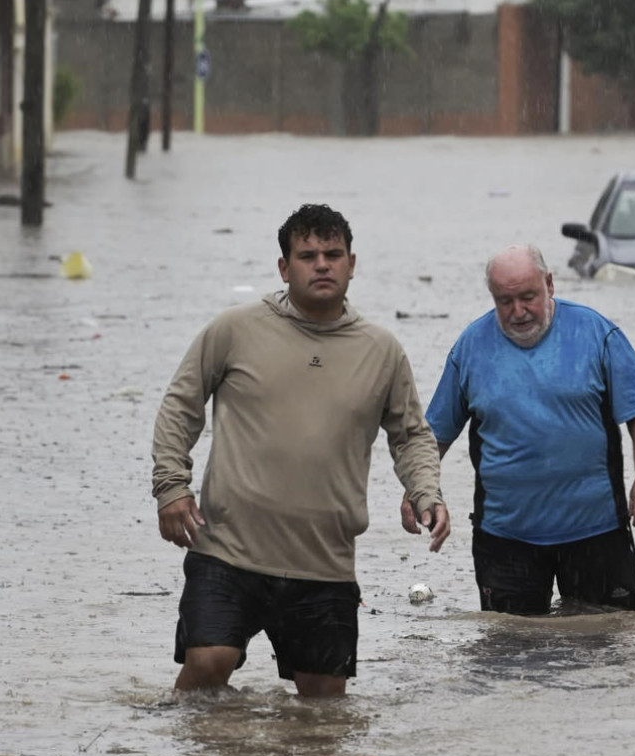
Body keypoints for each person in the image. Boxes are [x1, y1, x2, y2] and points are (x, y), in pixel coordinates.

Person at [152, 203, 449, 697]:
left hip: (323, 562)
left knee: (323, 713)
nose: (322, 264)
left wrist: (427, 493)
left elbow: (411, 434)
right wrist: (171, 487)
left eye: (333, 254)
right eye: (308, 255)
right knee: (208, 664)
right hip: (228, 550)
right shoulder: (234, 330)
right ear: (284, 268)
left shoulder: (382, 350)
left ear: (352, 263)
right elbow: (181, 405)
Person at [400, 245, 635, 615]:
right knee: (509, 654)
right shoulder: (471, 347)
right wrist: (418, 490)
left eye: (528, 297)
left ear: (549, 284)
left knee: (607, 649)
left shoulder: (596, 333)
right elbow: (435, 434)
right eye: (505, 301)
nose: (518, 311)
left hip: (598, 530)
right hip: (505, 537)